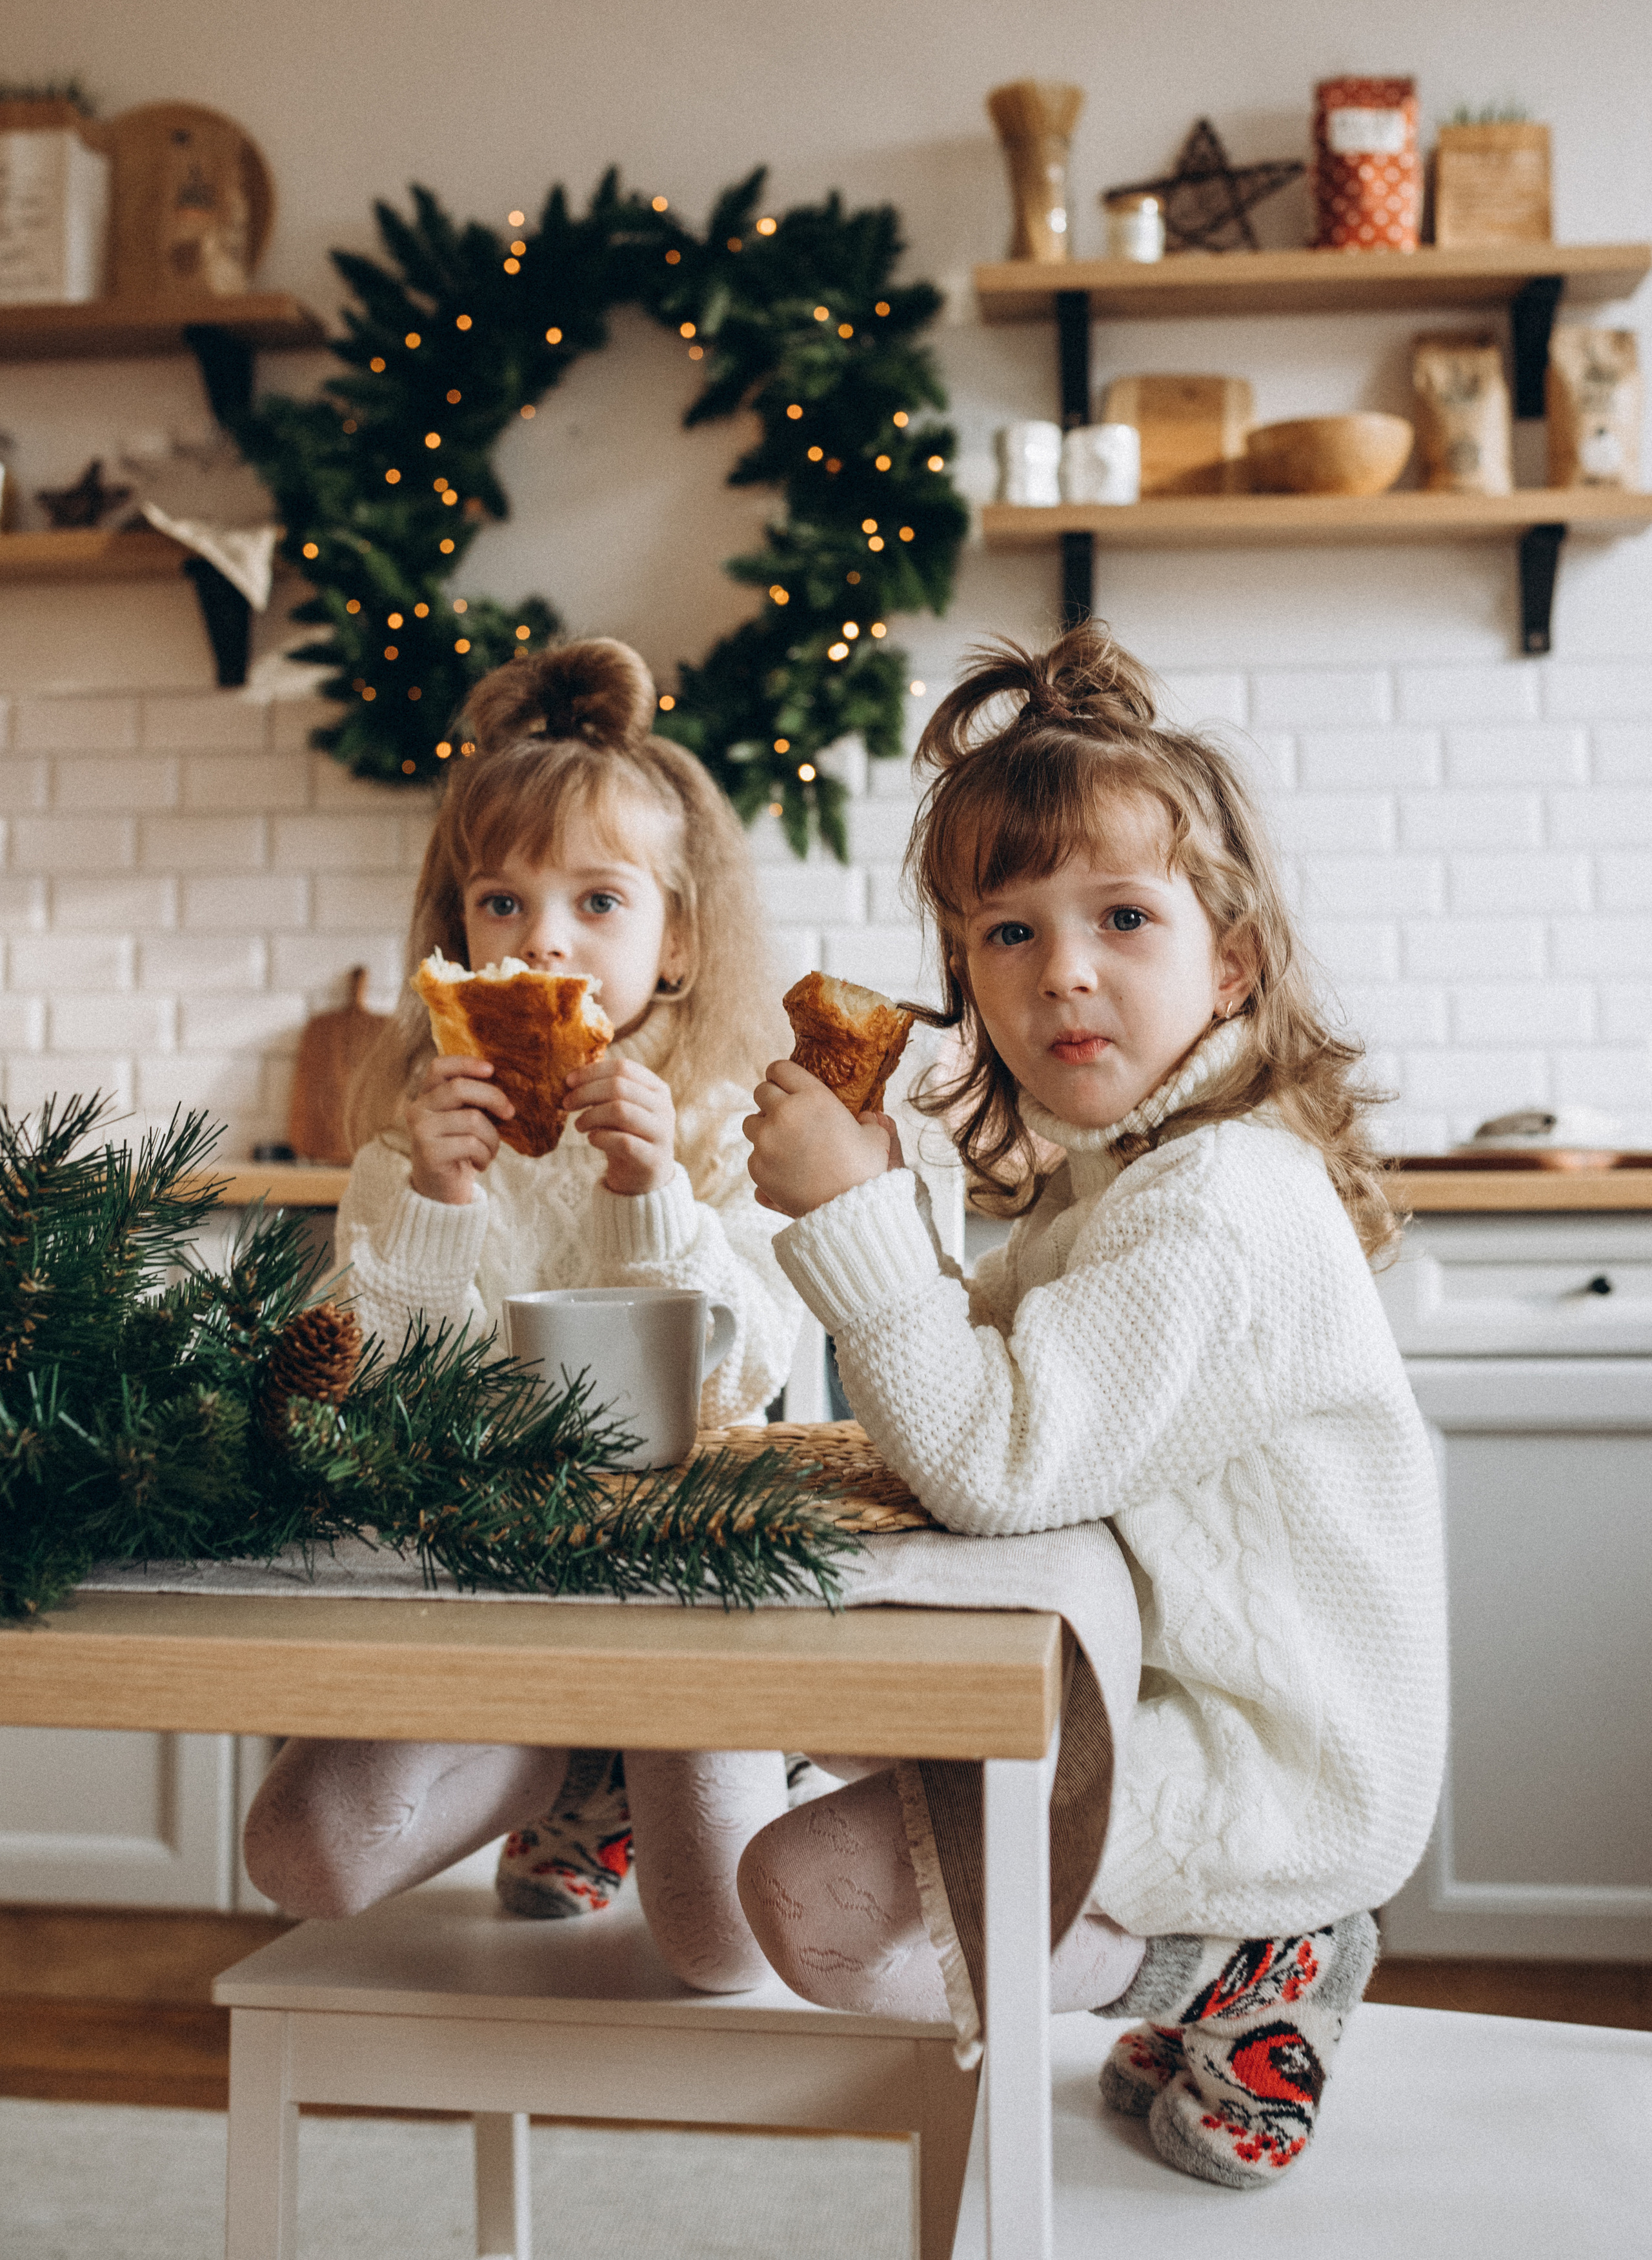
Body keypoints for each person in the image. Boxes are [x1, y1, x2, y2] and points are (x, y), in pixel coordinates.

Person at [740, 622, 1447, 2188]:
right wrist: (885, 1189)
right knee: (834, 1763)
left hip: (1266, 1758)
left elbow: (989, 1458)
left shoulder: (1209, 1207)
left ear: (1232, 957)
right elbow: (982, 1372)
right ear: (965, 983)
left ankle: (1252, 1955)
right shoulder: (1118, 1180)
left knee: (809, 1901)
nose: (1060, 967)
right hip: (1162, 1699)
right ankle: (1198, 1968)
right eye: (1004, 931)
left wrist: (849, 1223)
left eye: (1119, 915)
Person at [244, 638, 805, 1982]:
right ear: (457, 939)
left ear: (673, 942)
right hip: (476, 1588)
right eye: (503, 901)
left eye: (596, 900)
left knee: (722, 1946)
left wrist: (648, 1189)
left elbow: (749, 1381)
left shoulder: (725, 1132)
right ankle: (555, 1761)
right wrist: (432, 1200)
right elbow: (355, 1389)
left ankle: (643, 1758)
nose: (542, 936)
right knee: (298, 1855)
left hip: (682, 1585)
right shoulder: (410, 1147)